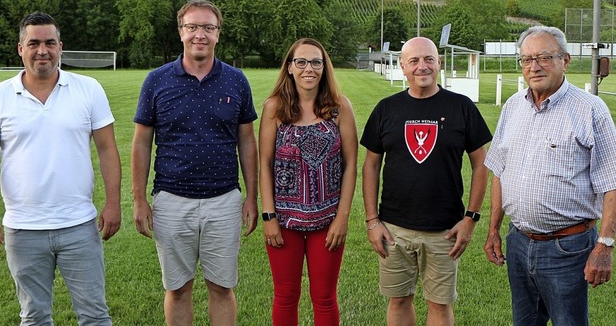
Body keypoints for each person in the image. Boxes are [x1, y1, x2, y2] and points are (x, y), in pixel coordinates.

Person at [0, 12, 121, 325]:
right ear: (20, 49)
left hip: (80, 225)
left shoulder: (88, 88)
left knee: (95, 315)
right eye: (34, 43)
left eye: (49, 43)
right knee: (34, 316)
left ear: (60, 47)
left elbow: (107, 148)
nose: (42, 50)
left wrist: (112, 203)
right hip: (23, 230)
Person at [130, 0, 258, 325]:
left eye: (208, 28)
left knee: (222, 287)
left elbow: (247, 141)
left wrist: (252, 198)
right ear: (180, 32)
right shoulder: (156, 81)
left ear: (218, 34)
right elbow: (142, 143)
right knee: (178, 289)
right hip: (171, 200)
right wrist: (139, 199)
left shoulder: (236, 80)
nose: (199, 34)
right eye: (192, 27)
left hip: (224, 200)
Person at [483, 26, 616, 326]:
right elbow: (498, 171)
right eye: (527, 59)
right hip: (518, 244)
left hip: (568, 248)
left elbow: (612, 183)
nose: (534, 66)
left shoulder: (590, 110)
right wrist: (494, 230)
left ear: (565, 60)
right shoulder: (513, 106)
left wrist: (605, 245)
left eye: (544, 57)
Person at [361, 37, 492, 326]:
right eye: (415, 61)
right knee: (398, 300)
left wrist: (470, 218)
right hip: (394, 227)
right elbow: (371, 165)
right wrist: (373, 221)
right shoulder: (386, 108)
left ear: (439, 62)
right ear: (403, 67)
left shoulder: (461, 107)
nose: (423, 66)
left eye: (429, 59)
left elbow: (481, 163)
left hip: (444, 229)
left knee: (439, 305)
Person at [259, 38, 358, 326]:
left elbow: (351, 164)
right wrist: (269, 216)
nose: (308, 69)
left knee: (325, 297)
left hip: (327, 220)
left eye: (316, 62)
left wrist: (342, 218)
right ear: (289, 67)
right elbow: (264, 165)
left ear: (324, 67)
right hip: (284, 219)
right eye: (300, 62)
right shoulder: (274, 108)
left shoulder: (340, 107)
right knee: (286, 296)